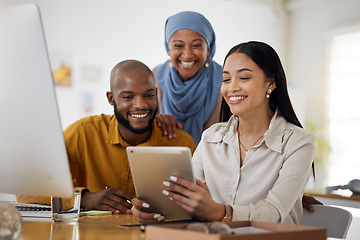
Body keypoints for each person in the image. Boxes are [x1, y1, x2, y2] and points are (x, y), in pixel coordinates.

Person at [131, 41, 316, 224]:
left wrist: (220, 211)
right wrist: (156, 211)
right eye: (226, 79)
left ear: (271, 82)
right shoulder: (211, 137)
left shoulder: (298, 143)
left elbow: (274, 213)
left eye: (244, 78)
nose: (231, 88)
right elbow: (185, 199)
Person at [17, 60, 196, 214]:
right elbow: (27, 191)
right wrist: (84, 199)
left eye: (149, 95)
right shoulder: (83, 133)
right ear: (111, 99)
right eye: (128, 97)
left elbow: (197, 205)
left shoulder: (180, 142)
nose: (141, 105)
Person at [153, 11, 223, 145]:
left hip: (211, 162)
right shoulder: (155, 76)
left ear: (208, 49)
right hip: (164, 160)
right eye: (178, 45)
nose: (187, 55)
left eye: (196, 45)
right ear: (168, 49)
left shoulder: (224, 78)